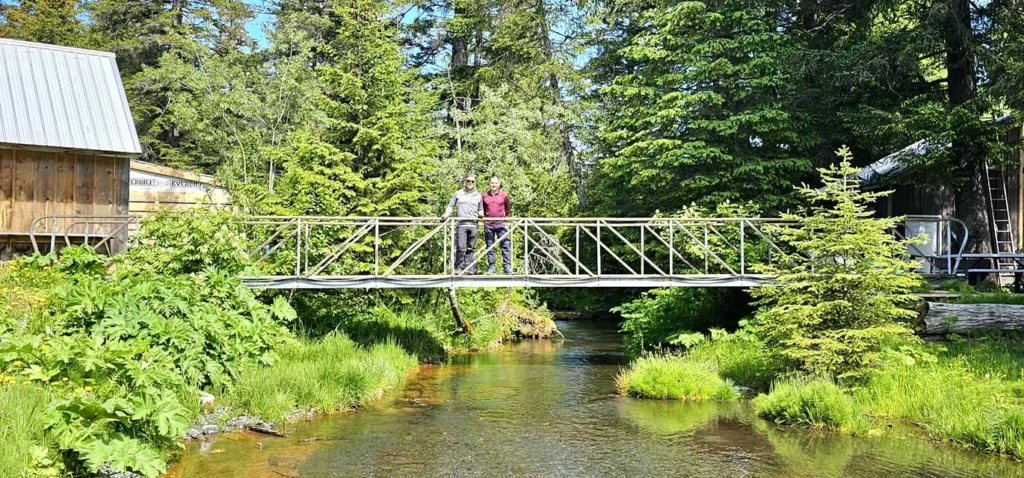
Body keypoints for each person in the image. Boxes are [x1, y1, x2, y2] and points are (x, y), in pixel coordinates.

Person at [442, 175, 484, 274]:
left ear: (475, 183)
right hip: (462, 224)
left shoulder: (478, 196)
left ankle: (468, 268)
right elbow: (451, 205)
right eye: (468, 181)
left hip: (473, 224)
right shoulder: (458, 193)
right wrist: (446, 214)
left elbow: (480, 208)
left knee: (470, 247)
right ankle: (459, 267)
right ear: (465, 182)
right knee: (460, 247)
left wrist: (481, 213)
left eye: (472, 181)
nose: (470, 183)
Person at [482, 176, 512, 274]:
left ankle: (507, 267)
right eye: (492, 183)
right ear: (489, 184)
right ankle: (492, 267)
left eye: (496, 183)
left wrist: (503, 218)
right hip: (489, 225)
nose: (494, 185)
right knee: (490, 246)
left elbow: (507, 209)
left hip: (501, 224)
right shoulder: (484, 196)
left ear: (498, 184)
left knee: (505, 245)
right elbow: (481, 209)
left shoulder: (504, 195)